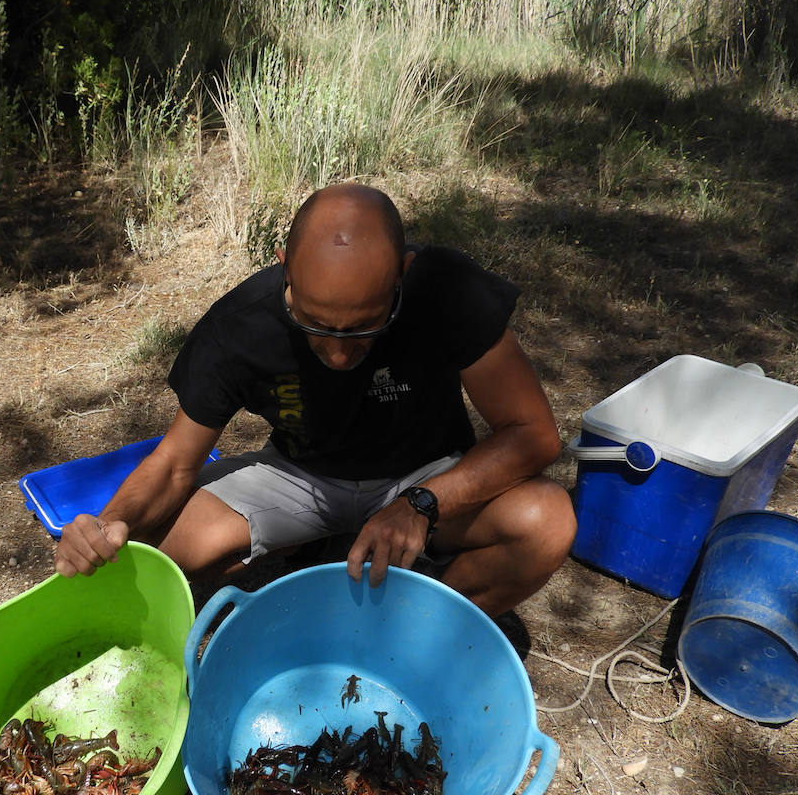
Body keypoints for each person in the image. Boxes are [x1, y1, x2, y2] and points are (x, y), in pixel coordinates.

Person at [53, 183, 574, 617]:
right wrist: (108, 523)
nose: (340, 353)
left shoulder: (447, 290)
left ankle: (407, 632)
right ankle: (302, 540)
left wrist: (420, 504)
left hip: (426, 473)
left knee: (546, 523)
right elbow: (173, 464)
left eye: (368, 326)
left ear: (403, 274)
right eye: (316, 325)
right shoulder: (240, 327)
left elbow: (533, 433)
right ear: (285, 269)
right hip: (298, 477)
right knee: (142, 554)